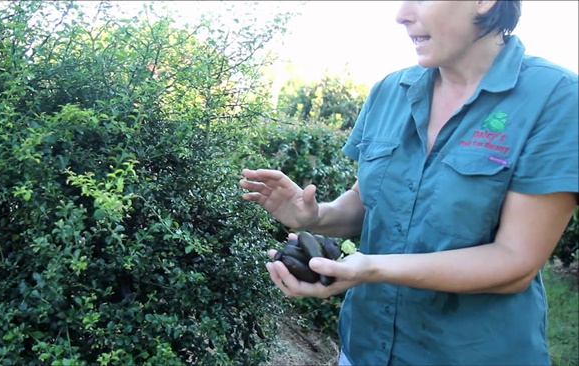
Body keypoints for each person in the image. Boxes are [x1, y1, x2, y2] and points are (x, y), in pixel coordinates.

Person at [239, 1, 578, 365]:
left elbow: (515, 262)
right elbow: (368, 200)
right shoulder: (390, 91)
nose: (401, 14)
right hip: (363, 350)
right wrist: (316, 216)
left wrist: (372, 269)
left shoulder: (556, 98)